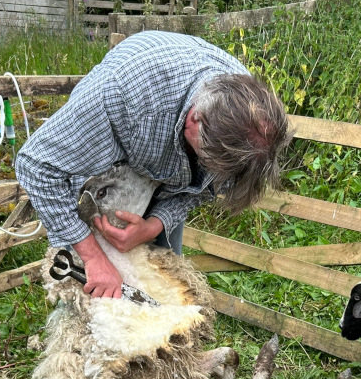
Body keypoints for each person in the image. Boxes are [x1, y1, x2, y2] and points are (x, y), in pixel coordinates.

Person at [15, 30, 292, 299]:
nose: (211, 167)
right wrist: (92, 257)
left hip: (163, 171)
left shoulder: (249, 115)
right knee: (91, 294)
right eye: (207, 157)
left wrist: (156, 225)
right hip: (109, 163)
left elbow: (205, 187)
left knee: (165, 285)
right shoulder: (121, 92)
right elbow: (37, 167)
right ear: (195, 118)